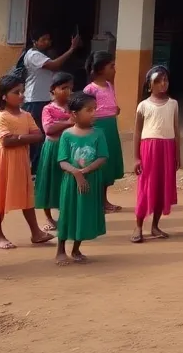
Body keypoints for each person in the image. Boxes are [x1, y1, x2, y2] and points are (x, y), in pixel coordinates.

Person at [0, 75, 50, 249]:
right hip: (4, 160)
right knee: (0, 196)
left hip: (21, 159)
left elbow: (39, 136)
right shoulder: (1, 117)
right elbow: (6, 141)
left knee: (27, 195)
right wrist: (24, 138)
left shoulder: (26, 115)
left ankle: (36, 232)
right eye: (16, 92)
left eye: (23, 91)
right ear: (4, 96)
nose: (21, 95)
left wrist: (19, 138)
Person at [55, 91, 108, 265]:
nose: (94, 113)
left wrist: (86, 171)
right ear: (74, 114)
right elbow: (62, 161)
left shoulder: (98, 133)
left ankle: (76, 248)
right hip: (71, 183)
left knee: (83, 213)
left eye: (95, 109)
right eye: (89, 110)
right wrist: (77, 173)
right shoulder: (67, 135)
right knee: (68, 213)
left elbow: (102, 157)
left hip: (90, 181)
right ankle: (60, 250)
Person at [20, 28, 80, 174]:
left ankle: (40, 168)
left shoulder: (42, 55)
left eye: (48, 39)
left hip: (42, 99)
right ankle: (35, 170)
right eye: (43, 39)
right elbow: (54, 65)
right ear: (35, 41)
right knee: (38, 136)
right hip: (35, 100)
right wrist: (72, 49)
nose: (47, 42)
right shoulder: (34, 55)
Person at [132, 65, 179, 243]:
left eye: (165, 80)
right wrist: (136, 157)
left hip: (167, 148)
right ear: (149, 85)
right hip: (148, 149)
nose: (163, 84)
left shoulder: (173, 103)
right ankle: (138, 226)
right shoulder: (143, 105)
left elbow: (175, 128)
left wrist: (177, 155)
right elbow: (137, 132)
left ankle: (155, 225)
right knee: (146, 187)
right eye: (158, 81)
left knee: (162, 187)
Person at [83, 50, 126, 213]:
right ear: (101, 69)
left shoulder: (109, 85)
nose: (114, 69)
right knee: (98, 162)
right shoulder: (90, 89)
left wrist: (115, 109)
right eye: (111, 66)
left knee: (108, 163)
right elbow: (86, 110)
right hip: (98, 128)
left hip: (110, 127)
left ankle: (104, 200)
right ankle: (96, 201)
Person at [34, 72, 74, 233]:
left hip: (70, 148)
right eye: (63, 88)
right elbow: (49, 129)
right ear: (53, 90)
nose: (67, 92)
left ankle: (66, 214)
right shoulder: (48, 109)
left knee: (66, 181)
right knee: (49, 181)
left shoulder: (73, 107)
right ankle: (48, 217)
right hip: (53, 148)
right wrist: (68, 122)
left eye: (70, 88)